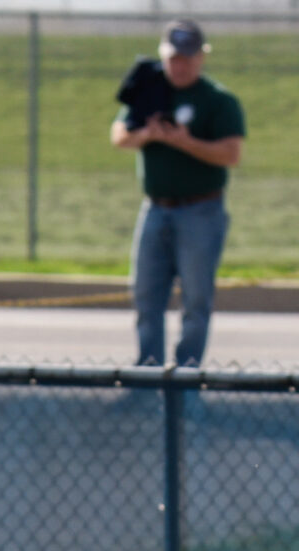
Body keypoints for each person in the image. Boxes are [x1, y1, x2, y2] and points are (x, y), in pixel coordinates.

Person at [111, 20, 243, 371]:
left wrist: (186, 143)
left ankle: (186, 374)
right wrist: (148, 136)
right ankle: (148, 370)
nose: (178, 66)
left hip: (201, 211)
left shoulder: (218, 100)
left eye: (186, 58)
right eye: (173, 58)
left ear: (201, 58)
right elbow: (120, 135)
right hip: (156, 209)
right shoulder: (150, 90)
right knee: (146, 294)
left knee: (196, 298)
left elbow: (231, 154)